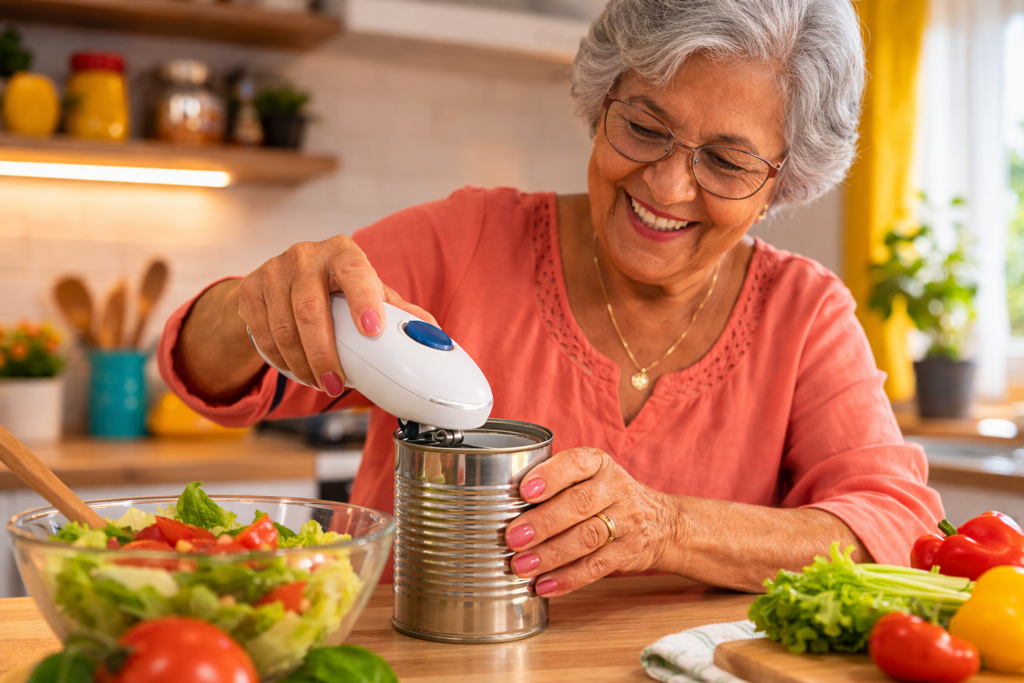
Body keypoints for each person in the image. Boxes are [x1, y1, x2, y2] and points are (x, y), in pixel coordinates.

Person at [159, 0, 943, 595]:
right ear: (602, 100)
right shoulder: (467, 240)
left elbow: (894, 526)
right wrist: (253, 305)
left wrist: (665, 527)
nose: (667, 186)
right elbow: (207, 371)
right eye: (643, 126)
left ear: (784, 181)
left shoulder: (804, 314)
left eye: (728, 163)